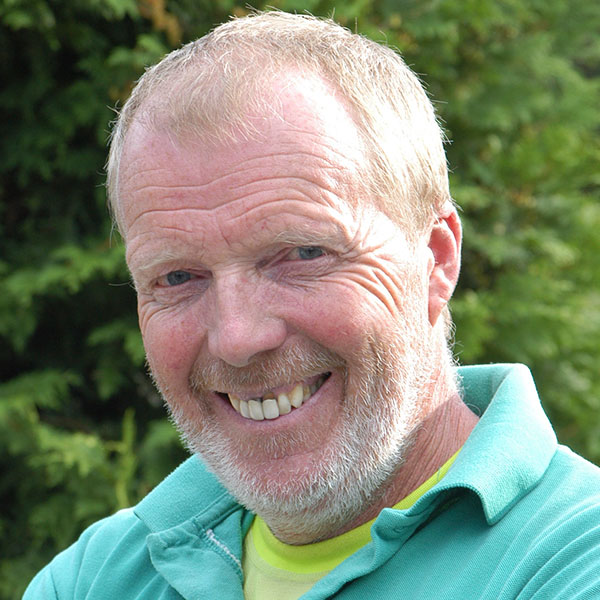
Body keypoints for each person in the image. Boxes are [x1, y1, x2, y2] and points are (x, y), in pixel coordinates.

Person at [24, 11, 600, 600]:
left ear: (436, 258)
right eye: (177, 277)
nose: (237, 338)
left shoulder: (575, 565)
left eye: (303, 253)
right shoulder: (94, 578)